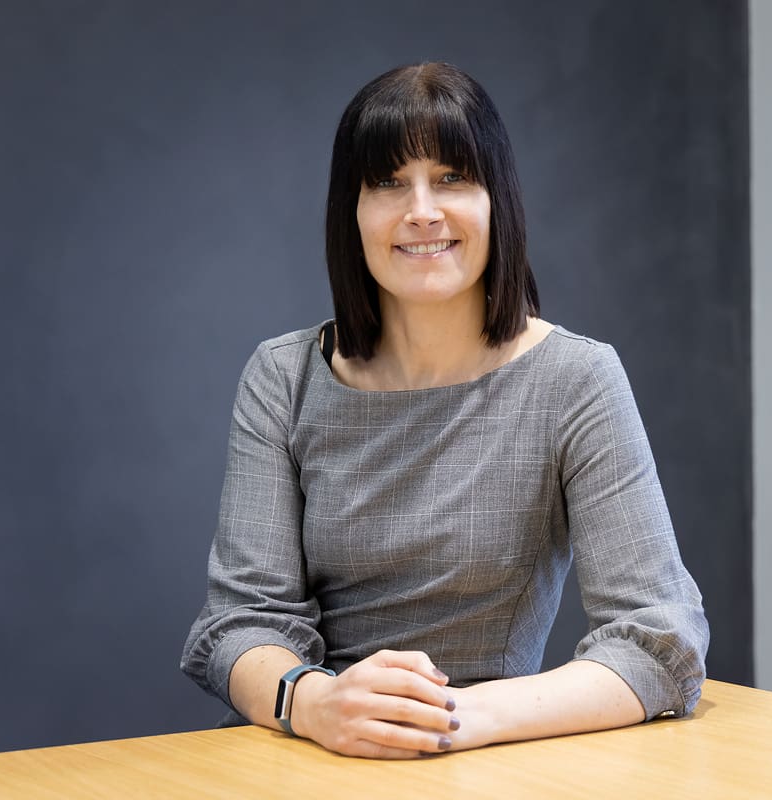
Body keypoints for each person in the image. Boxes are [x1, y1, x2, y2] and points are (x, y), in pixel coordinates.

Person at [181, 62, 709, 759]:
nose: (421, 210)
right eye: (387, 182)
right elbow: (242, 622)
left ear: (497, 200)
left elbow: (659, 642)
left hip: (479, 757)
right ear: (351, 212)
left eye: (452, 177)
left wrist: (451, 716)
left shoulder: (576, 379)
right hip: (300, 754)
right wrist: (314, 704)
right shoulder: (283, 376)